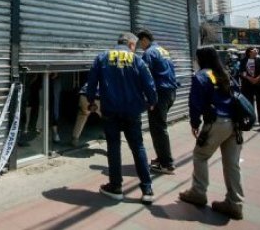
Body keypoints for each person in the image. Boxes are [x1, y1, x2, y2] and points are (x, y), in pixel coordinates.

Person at [86, 32, 158, 205]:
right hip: (132, 111)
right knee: (138, 147)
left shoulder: (102, 58)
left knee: (113, 147)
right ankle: (147, 189)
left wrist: (91, 101)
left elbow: (91, 83)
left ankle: (116, 187)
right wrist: (152, 101)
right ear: (131, 45)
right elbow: (149, 84)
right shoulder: (137, 60)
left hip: (110, 110)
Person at [179, 46, 244, 220]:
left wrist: (194, 123)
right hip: (235, 124)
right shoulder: (225, 73)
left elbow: (195, 102)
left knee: (200, 155)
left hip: (217, 122)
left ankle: (198, 192)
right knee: (232, 164)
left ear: (201, 59)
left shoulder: (201, 76)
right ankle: (235, 203)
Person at [137, 29, 178, 175]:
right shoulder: (163, 50)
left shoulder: (149, 53)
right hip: (170, 92)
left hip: (159, 94)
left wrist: (148, 98)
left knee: (158, 129)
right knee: (159, 126)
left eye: (140, 43)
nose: (140, 46)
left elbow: (145, 76)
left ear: (144, 40)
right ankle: (162, 158)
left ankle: (167, 164)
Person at [238, 47, 260, 126]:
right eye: (254, 50)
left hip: (259, 84)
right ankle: (250, 119)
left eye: (257, 50)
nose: (256, 51)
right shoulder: (243, 61)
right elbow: (242, 72)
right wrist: (249, 78)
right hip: (247, 84)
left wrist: (256, 79)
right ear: (249, 52)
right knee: (248, 103)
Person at [70, 82, 101, 147]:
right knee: (108, 119)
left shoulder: (93, 77)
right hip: (99, 97)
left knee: (82, 115)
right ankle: (110, 140)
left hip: (84, 95)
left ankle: (75, 138)